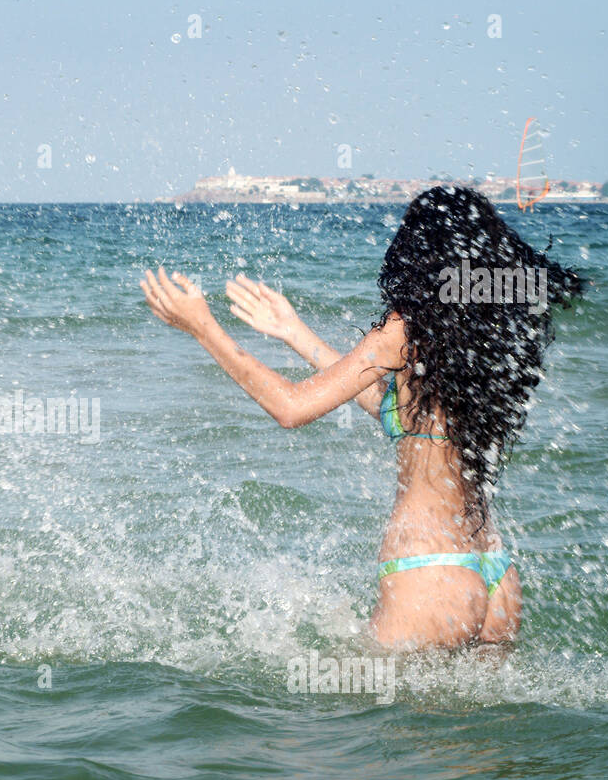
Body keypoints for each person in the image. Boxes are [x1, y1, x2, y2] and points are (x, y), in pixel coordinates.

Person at [141, 186, 582, 648]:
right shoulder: (485, 336)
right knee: (479, 719)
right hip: (496, 575)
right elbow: (403, 416)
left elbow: (290, 408)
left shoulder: (405, 327)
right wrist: (295, 333)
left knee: (371, 717)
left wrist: (203, 328)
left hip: (428, 576)